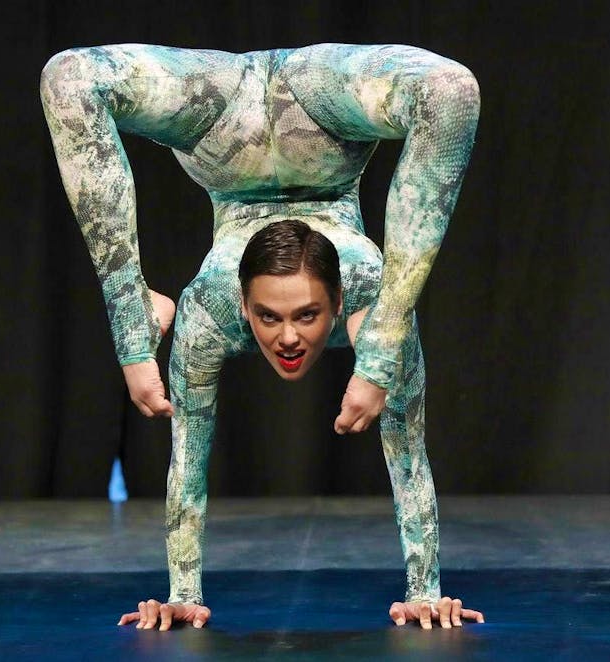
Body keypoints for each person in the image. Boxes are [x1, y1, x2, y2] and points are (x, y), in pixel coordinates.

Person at [40, 42, 482, 630]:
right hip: (244, 120)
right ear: (245, 308)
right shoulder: (210, 311)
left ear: (339, 304)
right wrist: (182, 592)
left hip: (297, 112)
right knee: (68, 75)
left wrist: (427, 591)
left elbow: (410, 451)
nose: (289, 339)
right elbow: (187, 460)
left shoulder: (375, 300)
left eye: (307, 316)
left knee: (451, 91)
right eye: (269, 318)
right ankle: (135, 305)